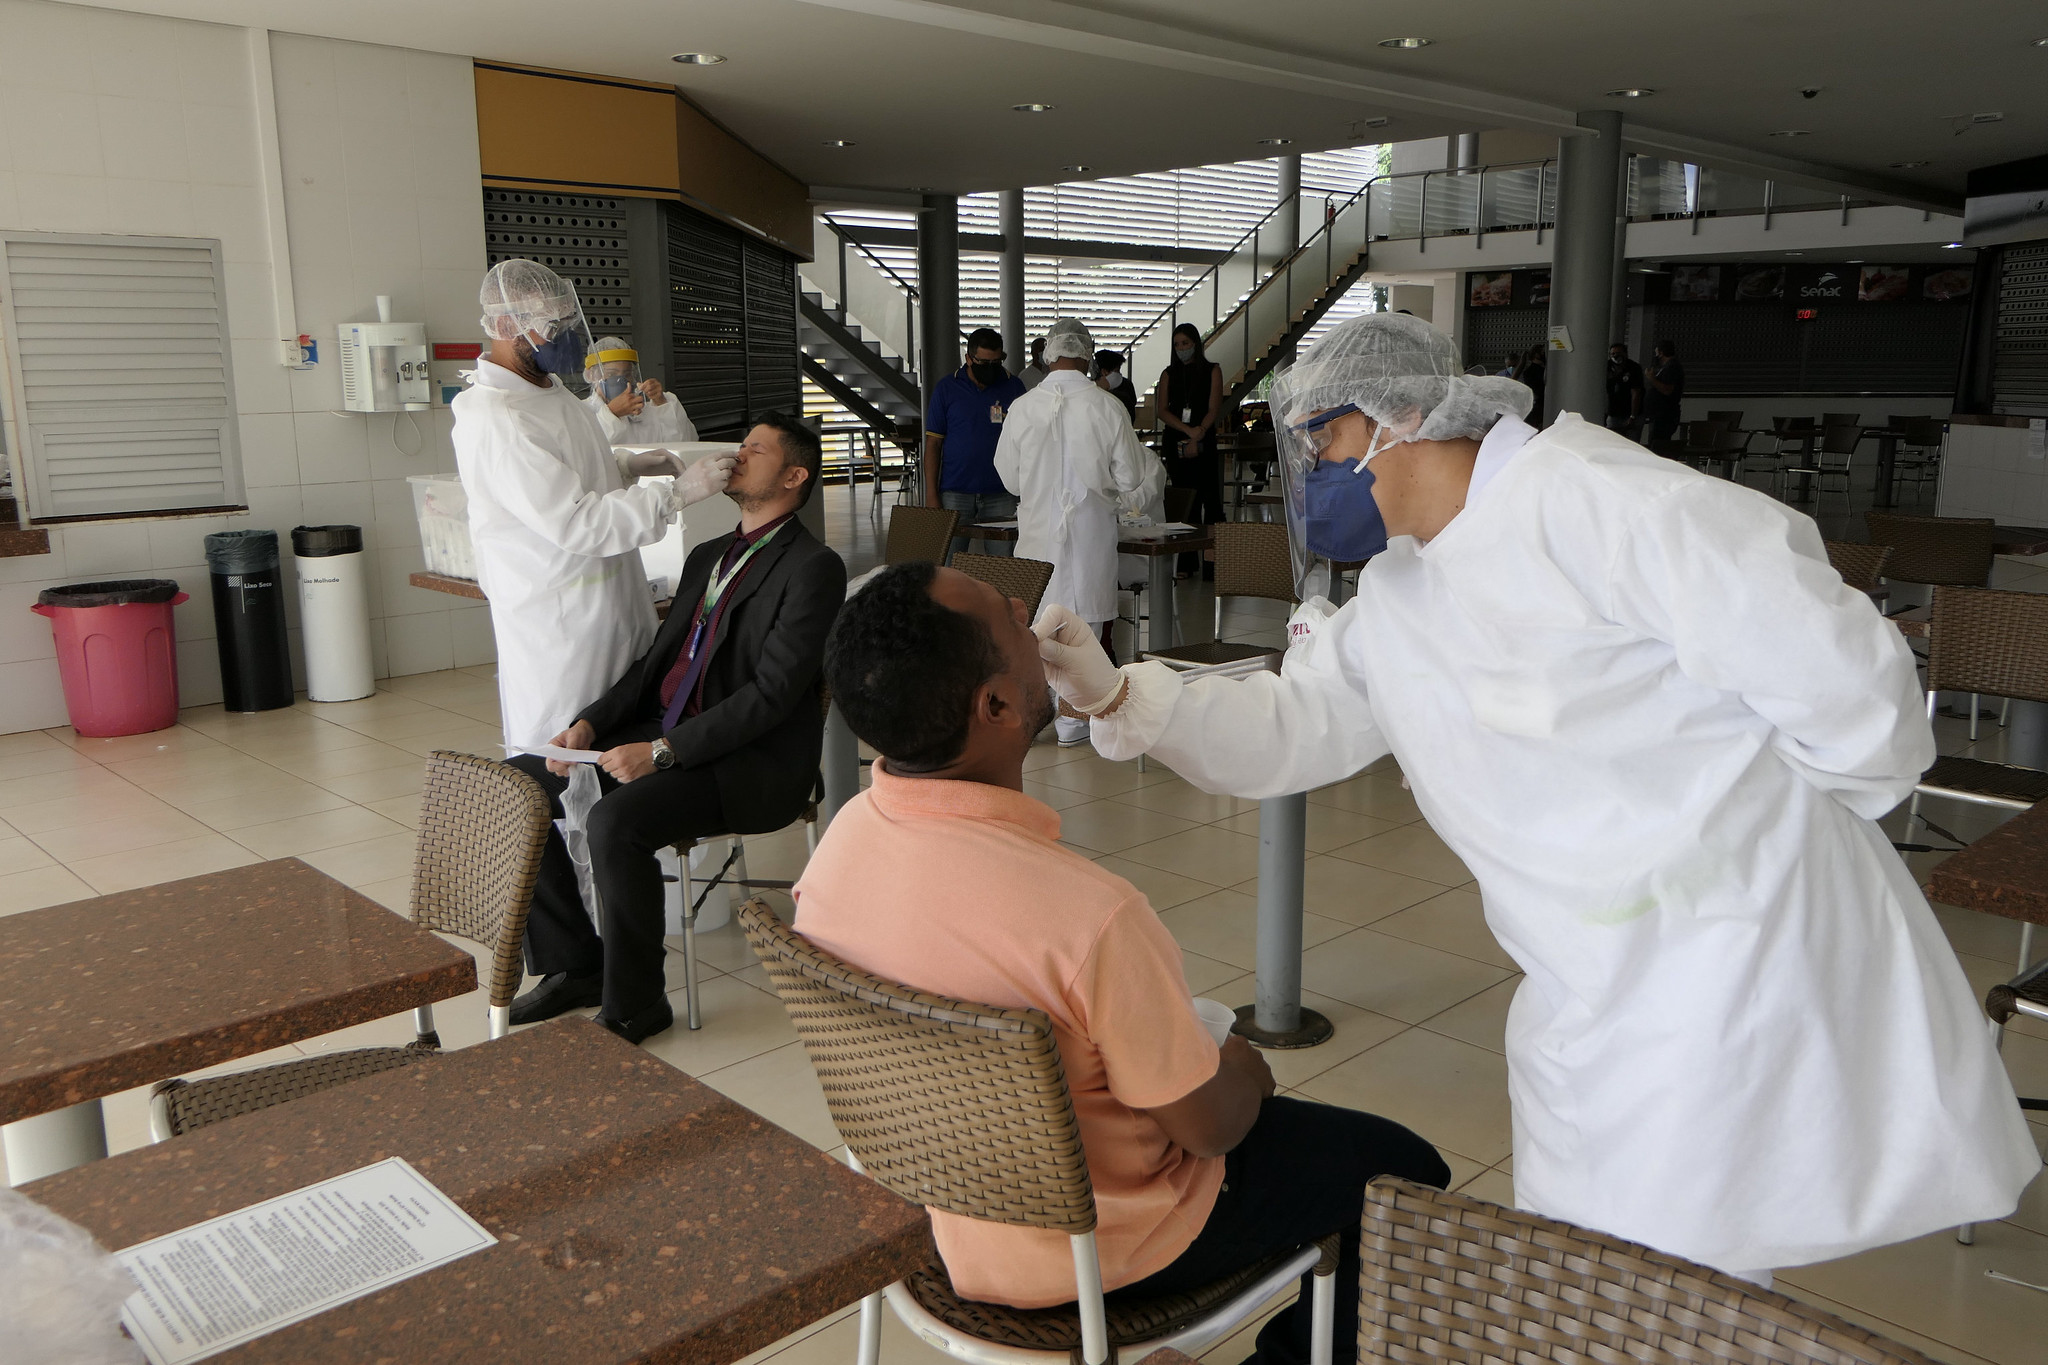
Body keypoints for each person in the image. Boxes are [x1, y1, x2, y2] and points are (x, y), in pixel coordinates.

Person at [1032, 311, 2039, 1285]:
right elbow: (1295, 725)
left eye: (1321, 439)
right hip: (1579, 973)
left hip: (1720, 957)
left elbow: (1851, 688)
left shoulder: (1605, 502)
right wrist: (1121, 696)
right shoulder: (1403, 589)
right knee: (1596, 1257)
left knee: (1685, 1270)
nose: (1314, 472)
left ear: (1402, 416)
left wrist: (1758, 835)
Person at [798, 561, 1449, 1365]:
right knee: (1405, 1174)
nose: (1023, 605)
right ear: (996, 706)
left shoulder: (838, 854)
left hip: (941, 1216)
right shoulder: (1086, 916)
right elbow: (1209, 1128)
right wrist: (1247, 1073)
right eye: (1007, 617)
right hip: (1098, 1249)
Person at [503, 414, 844, 1044]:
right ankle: (575, 963)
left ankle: (636, 1003)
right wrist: (589, 723)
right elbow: (653, 664)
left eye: (756, 449)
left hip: (746, 761)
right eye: (741, 445)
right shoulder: (708, 555)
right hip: (666, 730)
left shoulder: (813, 567)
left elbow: (771, 697)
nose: (739, 456)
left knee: (615, 821)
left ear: (794, 477)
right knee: (517, 786)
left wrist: (662, 752)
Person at [454, 261, 734, 751]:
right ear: (506, 325)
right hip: (562, 622)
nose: (567, 337)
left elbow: (572, 471)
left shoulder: (548, 390)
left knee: (623, 735)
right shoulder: (500, 419)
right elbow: (578, 523)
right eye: (553, 326)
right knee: (567, 753)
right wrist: (676, 494)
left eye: (568, 322)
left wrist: (625, 465)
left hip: (610, 599)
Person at [995, 318, 1164, 745]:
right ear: (1088, 354)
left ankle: (1035, 713)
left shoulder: (1023, 407)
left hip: (1037, 532)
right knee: (1084, 628)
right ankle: (1074, 719)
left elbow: (1010, 479)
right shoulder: (1107, 406)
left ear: (1048, 354)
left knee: (1038, 624)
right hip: (1089, 533)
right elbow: (1130, 476)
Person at [923, 327, 1027, 556]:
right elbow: (933, 444)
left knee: (1002, 563)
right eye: (983, 362)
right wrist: (931, 494)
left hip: (1002, 492)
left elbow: (1027, 442)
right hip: (955, 492)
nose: (990, 368)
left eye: (996, 362)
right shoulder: (947, 388)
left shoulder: (1014, 387)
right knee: (950, 560)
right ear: (968, 358)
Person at [1153, 322, 1225, 577]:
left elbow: (1213, 408)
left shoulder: (1212, 370)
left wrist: (1199, 432)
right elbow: (1162, 410)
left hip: (1204, 437)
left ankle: (1212, 563)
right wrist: (1186, 430)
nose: (1181, 348)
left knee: (1210, 500)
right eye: (1177, 344)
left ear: (1195, 343)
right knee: (1185, 502)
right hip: (1176, 438)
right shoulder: (1168, 374)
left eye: (1185, 343)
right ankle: (1185, 562)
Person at [582, 336, 698, 446]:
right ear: (591, 375)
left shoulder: (645, 412)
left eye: (627, 374)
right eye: (611, 374)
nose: (620, 380)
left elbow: (686, 442)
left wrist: (662, 403)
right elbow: (587, 450)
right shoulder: (582, 412)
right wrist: (611, 414)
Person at [1644, 340, 1685, 449]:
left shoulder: (1672, 367)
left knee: (1658, 444)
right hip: (1659, 413)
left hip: (1664, 414)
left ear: (1661, 352)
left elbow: (1667, 390)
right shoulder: (1667, 367)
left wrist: (1652, 379)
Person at [1605, 342, 1644, 438]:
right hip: (1613, 413)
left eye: (1618, 353)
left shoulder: (1634, 368)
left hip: (1630, 414)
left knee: (1631, 442)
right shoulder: (1606, 367)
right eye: (1613, 354)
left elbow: (1636, 392)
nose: (1615, 356)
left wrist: (1633, 416)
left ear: (1625, 354)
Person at [1094, 347, 1138, 422]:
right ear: (1104, 372)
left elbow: (1130, 415)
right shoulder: (1092, 389)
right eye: (1116, 371)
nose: (1119, 374)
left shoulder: (1127, 385)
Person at [1511, 343, 1546, 421]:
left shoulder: (1545, 367)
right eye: (1542, 352)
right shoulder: (1530, 372)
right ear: (1536, 354)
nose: (1544, 354)